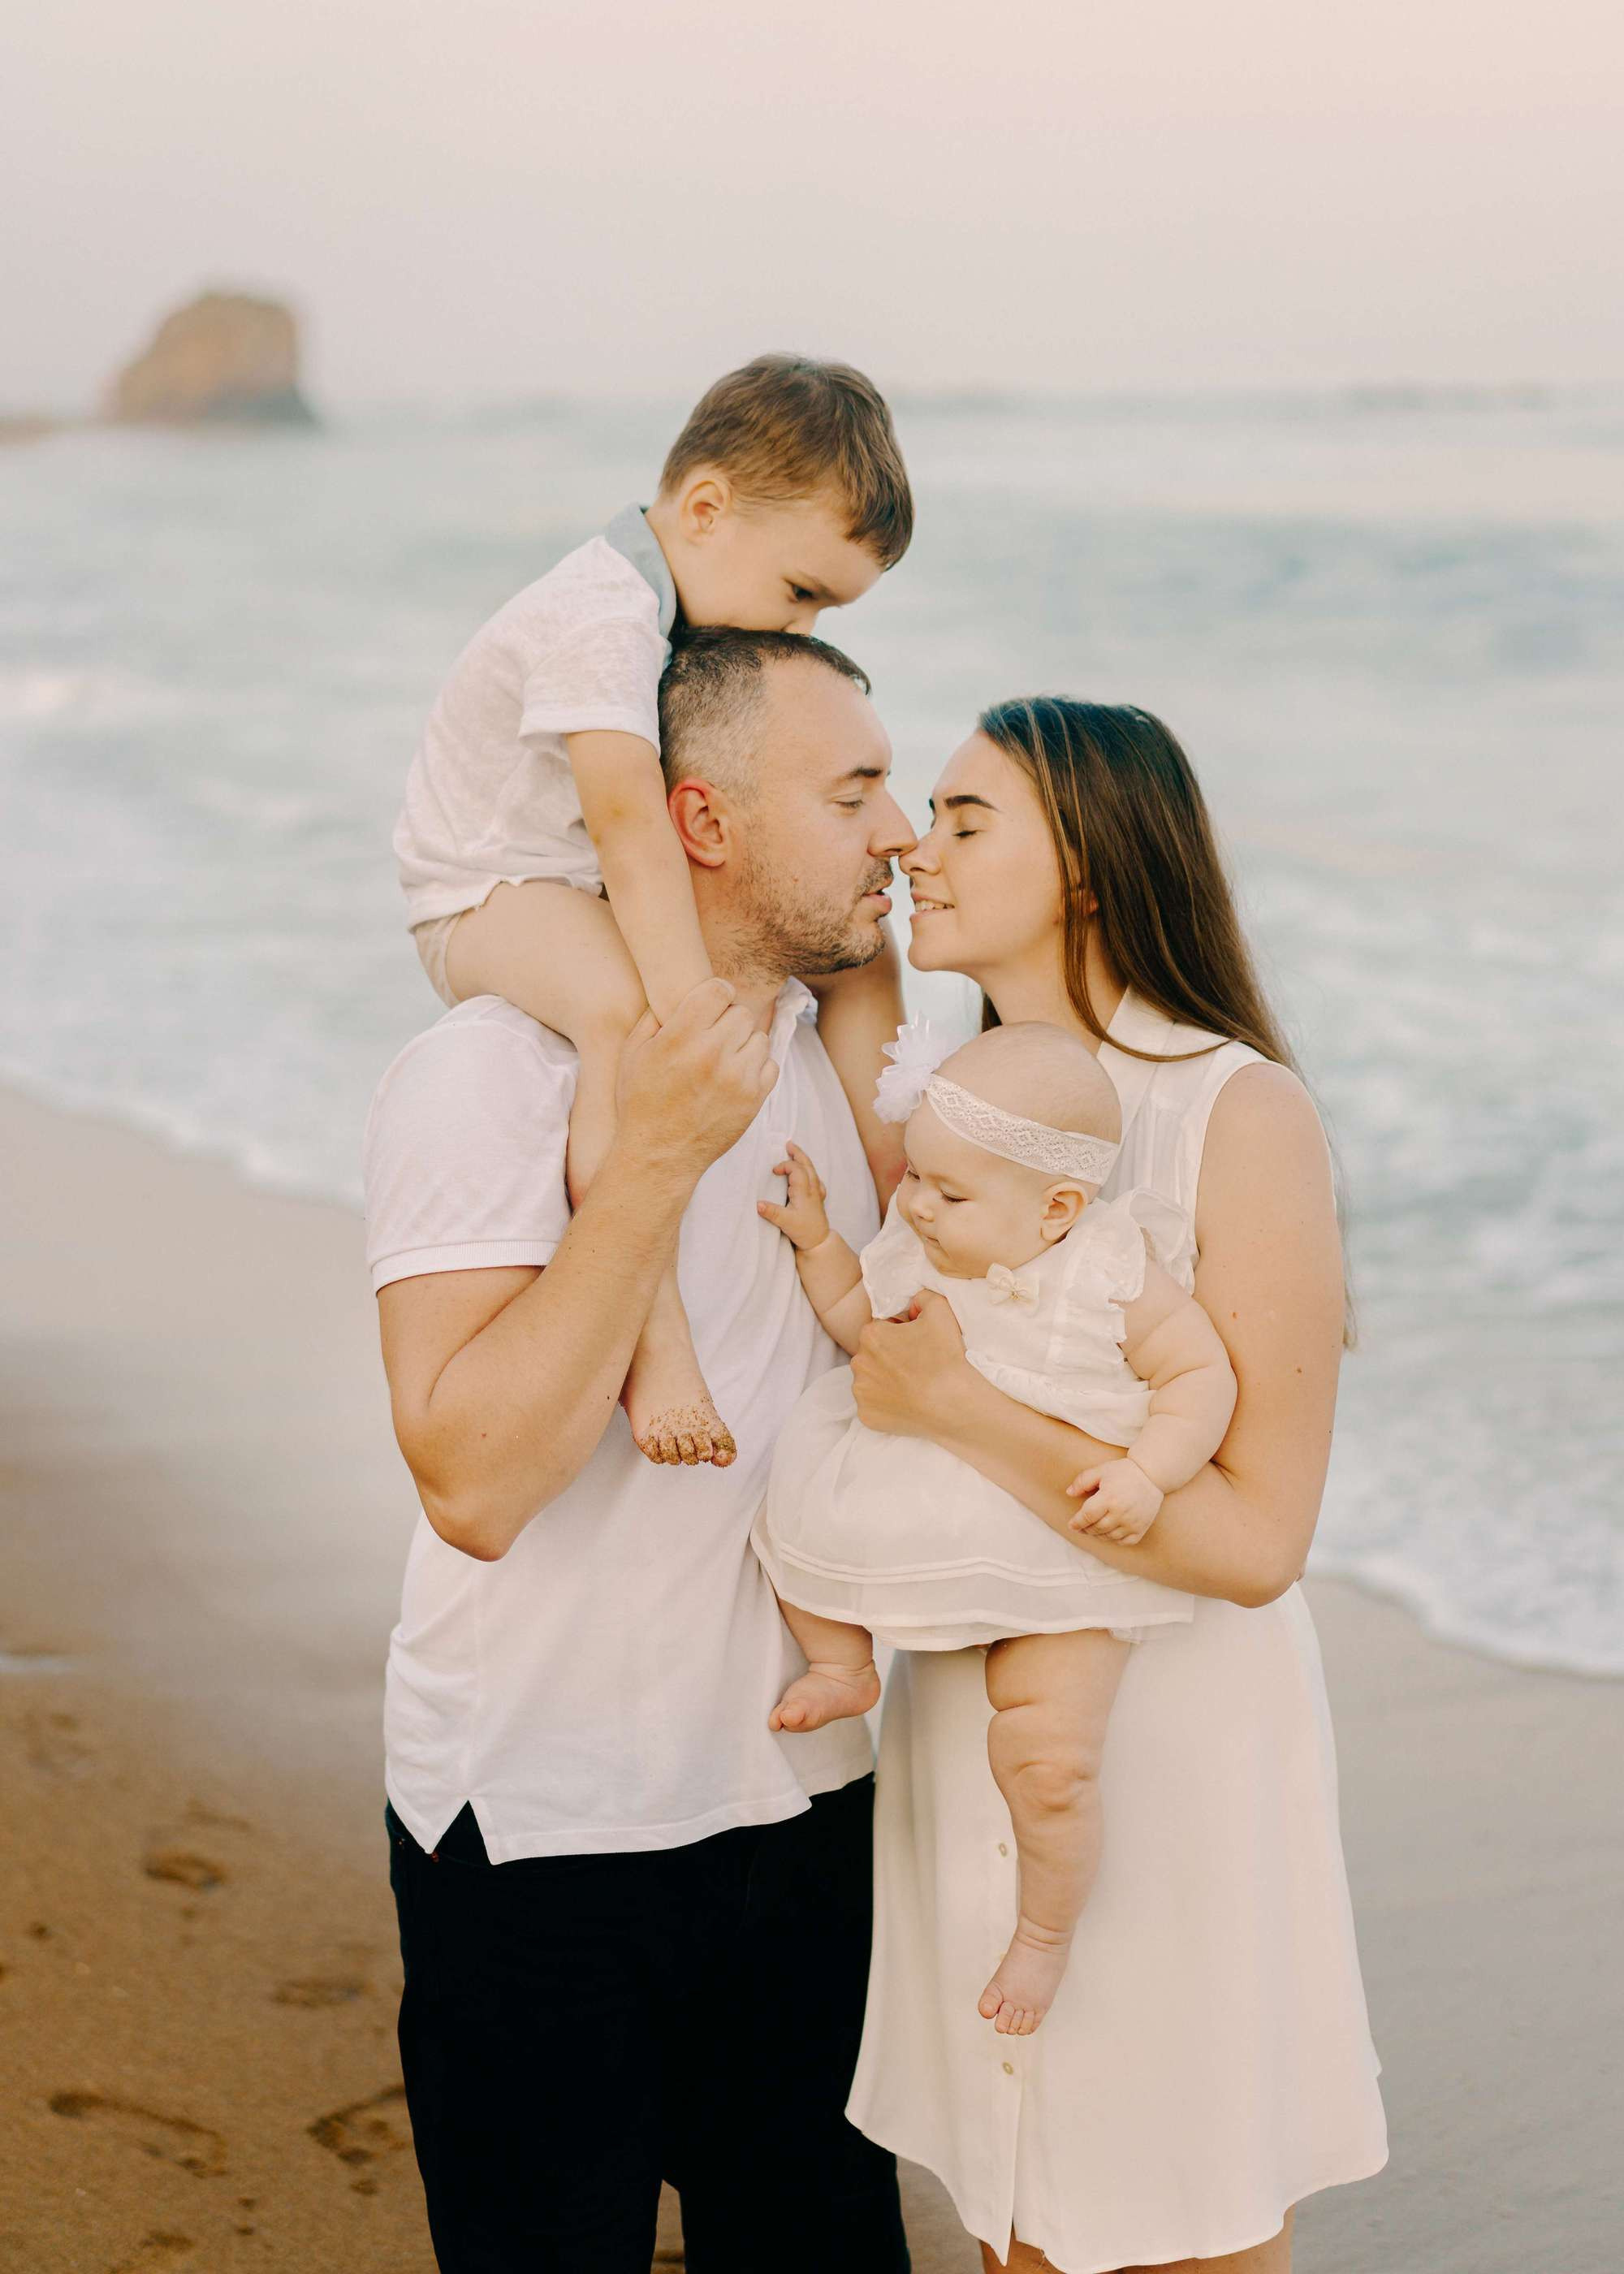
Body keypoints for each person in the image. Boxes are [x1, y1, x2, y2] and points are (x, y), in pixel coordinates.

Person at [364, 628, 914, 2272]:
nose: (895, 830)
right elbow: (470, 1477)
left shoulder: (846, 1065)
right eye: (854, 789)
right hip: (547, 1825)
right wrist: (656, 1161)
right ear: (701, 821)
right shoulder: (491, 1072)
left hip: (806, 1804)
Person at [844, 700, 1388, 2272]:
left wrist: (955, 1406)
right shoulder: (948, 1106)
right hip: (972, 1722)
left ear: (1084, 868)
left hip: (1162, 1759)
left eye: (963, 819)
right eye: (917, 813)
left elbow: (1257, 1539)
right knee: (1018, 2209)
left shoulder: (1234, 1108)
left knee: (1179, 2213)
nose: (912, 846)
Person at [393, 355, 913, 1466]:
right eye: (802, 592)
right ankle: (655, 1341)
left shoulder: (658, 606)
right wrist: (689, 1006)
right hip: (477, 890)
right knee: (629, 1022)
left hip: (542, 876)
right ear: (706, 509)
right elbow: (631, 820)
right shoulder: (606, 616)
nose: (807, 630)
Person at [751, 1020, 1237, 2037]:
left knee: (1047, 1760)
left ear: (1058, 1207)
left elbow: (1199, 1376)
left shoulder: (1112, 1268)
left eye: (948, 1192)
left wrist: (1150, 1474)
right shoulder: (913, 1244)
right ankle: (844, 1664)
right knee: (791, 1523)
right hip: (920, 1501)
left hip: (1062, 1546)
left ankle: (1043, 1936)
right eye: (914, 1178)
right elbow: (855, 1320)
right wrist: (818, 1244)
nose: (917, 1204)